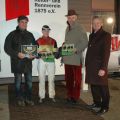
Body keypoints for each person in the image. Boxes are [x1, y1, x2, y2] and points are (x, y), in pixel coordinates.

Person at [4, 15, 36, 106]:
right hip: (17, 62)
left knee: (29, 82)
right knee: (18, 82)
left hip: (27, 63)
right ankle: (19, 98)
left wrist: (33, 56)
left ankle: (28, 98)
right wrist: (17, 54)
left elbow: (35, 48)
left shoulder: (30, 35)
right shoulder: (12, 34)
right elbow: (7, 48)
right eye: (22, 22)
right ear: (18, 23)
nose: (24, 24)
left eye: (26, 22)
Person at [85, 16, 111, 115]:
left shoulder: (106, 35)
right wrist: (86, 63)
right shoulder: (91, 35)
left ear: (102, 24)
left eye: (98, 23)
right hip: (91, 66)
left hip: (100, 66)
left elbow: (106, 53)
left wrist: (103, 68)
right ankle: (97, 103)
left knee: (103, 88)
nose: (96, 24)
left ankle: (105, 107)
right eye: (94, 23)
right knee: (94, 86)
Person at [62, 9, 88, 104]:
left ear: (76, 18)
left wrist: (76, 49)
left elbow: (85, 42)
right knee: (68, 79)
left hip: (76, 58)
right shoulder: (67, 28)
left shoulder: (80, 28)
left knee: (77, 80)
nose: (71, 19)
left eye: (73, 17)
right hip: (67, 58)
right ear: (67, 18)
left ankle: (75, 97)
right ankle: (69, 95)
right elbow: (69, 41)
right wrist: (64, 45)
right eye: (69, 17)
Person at [36, 25, 58, 103]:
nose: (46, 32)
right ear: (42, 31)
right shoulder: (38, 41)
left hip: (51, 61)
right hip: (42, 61)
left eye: (48, 30)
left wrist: (60, 52)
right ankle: (41, 96)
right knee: (41, 79)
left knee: (51, 79)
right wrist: (38, 54)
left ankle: (52, 95)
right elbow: (36, 54)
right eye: (44, 30)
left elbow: (56, 53)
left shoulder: (53, 41)